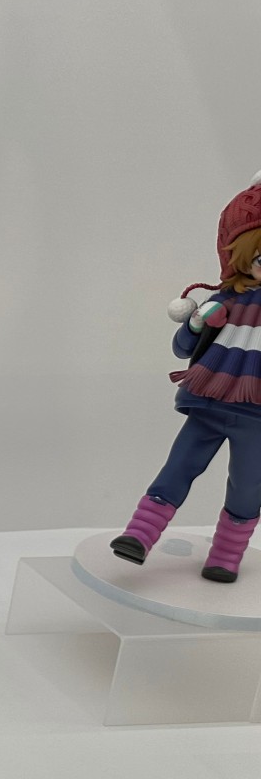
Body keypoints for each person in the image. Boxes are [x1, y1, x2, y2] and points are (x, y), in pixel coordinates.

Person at [112, 173, 261, 581]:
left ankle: (226, 556)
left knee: (248, 487)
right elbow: (183, 348)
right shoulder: (224, 299)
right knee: (179, 465)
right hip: (209, 403)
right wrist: (196, 324)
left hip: (256, 419)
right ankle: (138, 535)